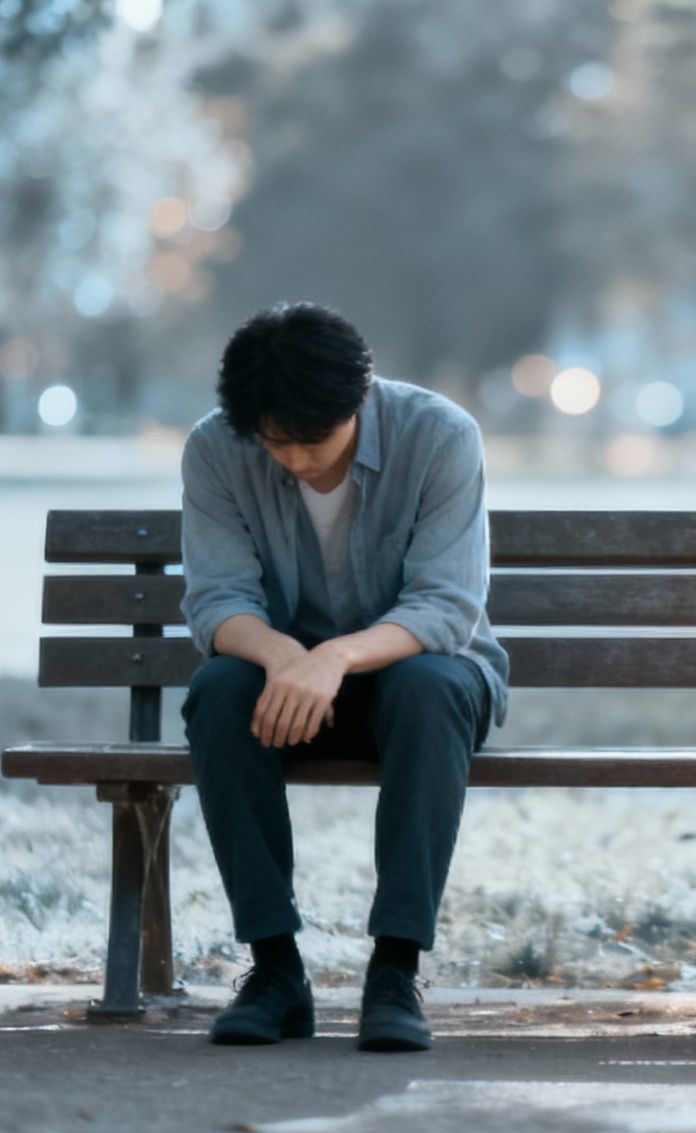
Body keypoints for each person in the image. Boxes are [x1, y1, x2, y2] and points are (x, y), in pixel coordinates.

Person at [177, 301, 509, 1052]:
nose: (295, 458)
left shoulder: (441, 436)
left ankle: (395, 969)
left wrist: (333, 657)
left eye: (312, 439)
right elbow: (216, 600)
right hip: (284, 685)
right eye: (275, 442)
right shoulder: (216, 448)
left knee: (428, 686)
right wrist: (286, 658)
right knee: (218, 692)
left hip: (423, 677)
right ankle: (274, 970)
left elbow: (447, 606)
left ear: (357, 400)